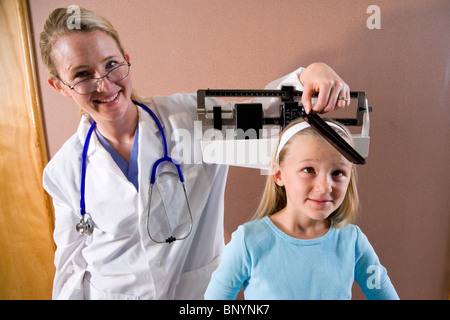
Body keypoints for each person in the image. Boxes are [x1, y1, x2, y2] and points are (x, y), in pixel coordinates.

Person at [40, 7, 351, 300]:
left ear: (126, 59)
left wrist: (311, 74)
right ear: (60, 86)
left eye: (111, 65)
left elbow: (263, 117)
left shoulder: (189, 118)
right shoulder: (64, 171)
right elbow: (71, 266)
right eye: (82, 74)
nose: (104, 84)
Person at [205, 119, 399, 300]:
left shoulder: (352, 242)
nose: (324, 187)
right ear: (279, 174)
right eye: (309, 170)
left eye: (338, 172)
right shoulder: (248, 242)